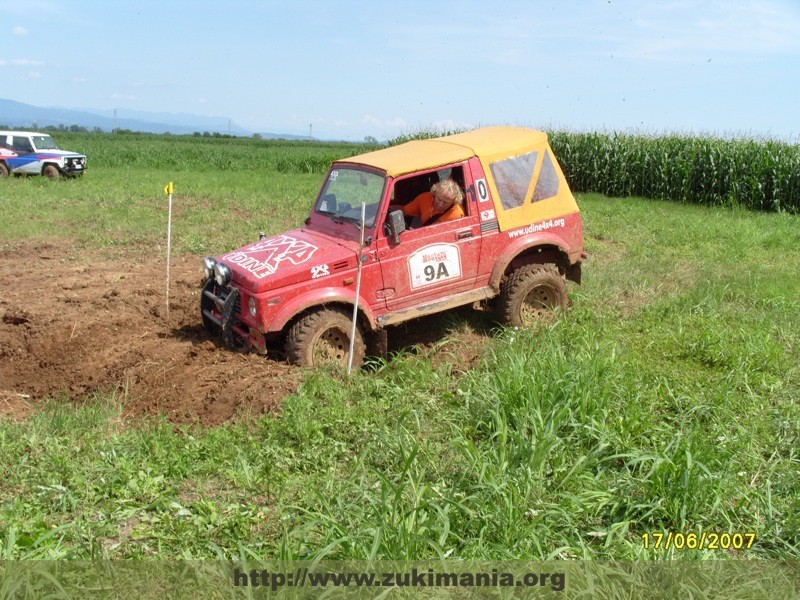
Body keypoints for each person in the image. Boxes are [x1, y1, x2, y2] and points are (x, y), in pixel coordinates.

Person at [397, 179, 465, 226]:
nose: (440, 204)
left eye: (445, 202)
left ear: (453, 202)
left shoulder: (457, 215)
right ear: (434, 194)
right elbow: (405, 210)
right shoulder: (424, 198)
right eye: (439, 199)